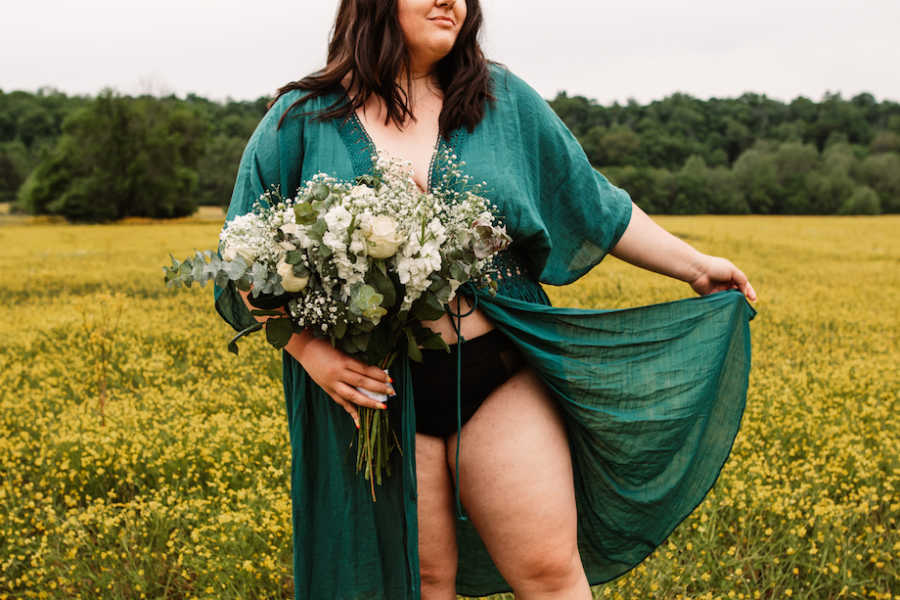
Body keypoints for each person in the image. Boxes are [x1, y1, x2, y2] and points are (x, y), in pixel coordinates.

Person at [214, 0, 757, 598]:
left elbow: (592, 202)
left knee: (550, 575)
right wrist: (310, 354)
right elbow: (241, 259)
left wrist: (697, 266)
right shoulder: (300, 120)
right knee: (422, 584)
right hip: (377, 394)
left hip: (499, 371)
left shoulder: (501, 101)